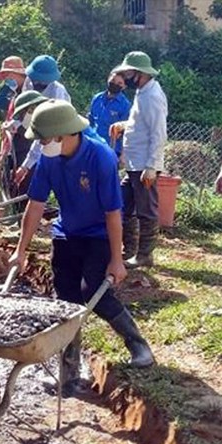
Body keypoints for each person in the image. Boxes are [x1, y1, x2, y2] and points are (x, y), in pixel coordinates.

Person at [9, 100, 154, 395]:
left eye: (44, 139)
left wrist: (117, 259)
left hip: (99, 234)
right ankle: (69, 373)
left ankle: (138, 345)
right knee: (66, 301)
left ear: (64, 134)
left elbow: (114, 213)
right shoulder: (49, 159)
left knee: (93, 292)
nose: (41, 144)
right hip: (67, 234)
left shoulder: (100, 158)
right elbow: (35, 206)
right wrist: (20, 251)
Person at [110, 51, 168, 268]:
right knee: (122, 205)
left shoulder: (153, 97)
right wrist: (124, 125)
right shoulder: (143, 92)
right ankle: (129, 250)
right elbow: (140, 123)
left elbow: (158, 133)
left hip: (145, 164)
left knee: (146, 210)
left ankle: (144, 255)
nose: (125, 77)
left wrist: (152, 166)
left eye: (128, 73)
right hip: (135, 163)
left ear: (140, 73)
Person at [15, 55, 72, 184]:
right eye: (36, 80)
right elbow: (24, 107)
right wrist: (14, 123)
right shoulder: (28, 83)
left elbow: (44, 134)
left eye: (43, 82)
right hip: (40, 128)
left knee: (43, 166)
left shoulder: (57, 94)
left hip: (58, 132)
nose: (38, 84)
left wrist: (25, 166)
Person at [88, 72, 131, 157]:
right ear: (108, 79)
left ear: (124, 87)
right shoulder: (97, 98)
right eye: (113, 80)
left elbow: (126, 133)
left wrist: (123, 155)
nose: (115, 84)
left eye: (120, 83)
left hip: (112, 151)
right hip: (94, 146)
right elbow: (91, 121)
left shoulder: (125, 105)